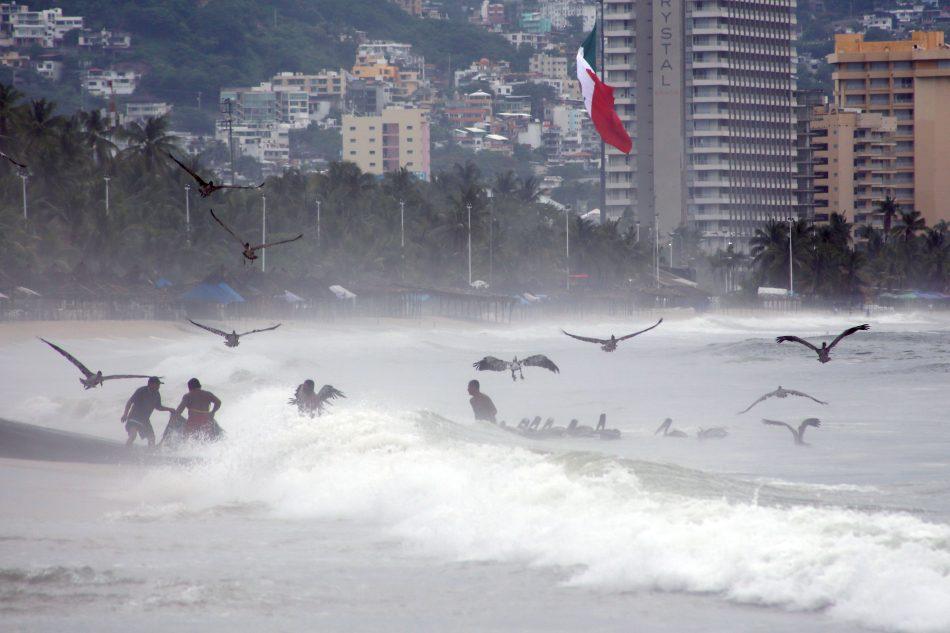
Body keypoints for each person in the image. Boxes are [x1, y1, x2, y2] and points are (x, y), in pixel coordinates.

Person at [120, 376, 174, 448]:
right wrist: (125, 414)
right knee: (133, 435)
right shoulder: (141, 390)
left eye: (159, 385)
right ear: (150, 384)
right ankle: (126, 450)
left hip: (145, 420)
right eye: (157, 385)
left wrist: (169, 409)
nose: (159, 387)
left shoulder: (157, 394)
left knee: (152, 438)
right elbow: (130, 402)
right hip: (134, 417)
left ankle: (150, 453)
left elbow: (158, 407)